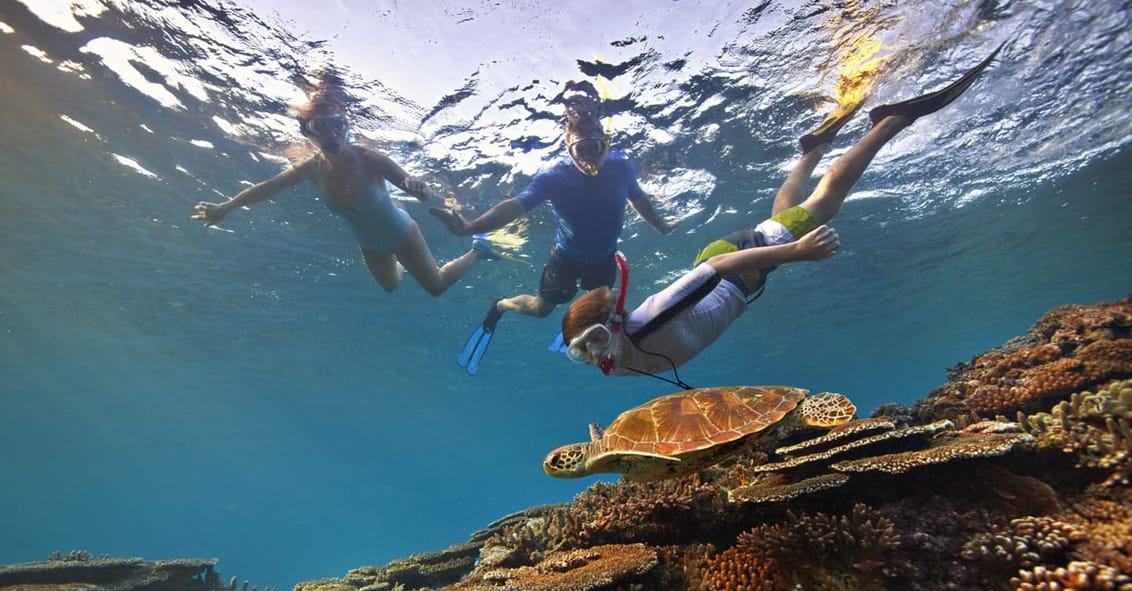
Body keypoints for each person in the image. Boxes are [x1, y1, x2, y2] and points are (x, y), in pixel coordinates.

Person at [561, 44, 1003, 385]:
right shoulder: (617, 360)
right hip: (742, 270)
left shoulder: (645, 321)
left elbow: (714, 268)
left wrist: (796, 253)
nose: (595, 355)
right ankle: (810, 152)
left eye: (595, 340)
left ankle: (891, 121)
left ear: (615, 324)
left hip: (734, 266)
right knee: (786, 215)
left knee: (825, 203)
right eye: (582, 354)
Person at [429, 80, 678, 373]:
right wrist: (470, 227)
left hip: (604, 259)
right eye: (580, 151)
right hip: (565, 258)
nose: (589, 160)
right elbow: (513, 205)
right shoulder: (554, 177)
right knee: (540, 311)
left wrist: (661, 224)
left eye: (594, 148)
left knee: (600, 310)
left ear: (605, 142)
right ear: (567, 148)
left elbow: (639, 199)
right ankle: (501, 305)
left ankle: (578, 332)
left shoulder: (621, 169)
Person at [192, 77, 494, 296]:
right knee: (390, 287)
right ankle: (401, 251)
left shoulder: (370, 158)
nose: (331, 134)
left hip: (401, 232)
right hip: (370, 244)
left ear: (347, 126)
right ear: (307, 133)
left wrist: (419, 189)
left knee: (436, 287)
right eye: (320, 127)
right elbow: (267, 188)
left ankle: (478, 252)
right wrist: (226, 207)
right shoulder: (311, 168)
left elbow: (422, 192)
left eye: (338, 124)